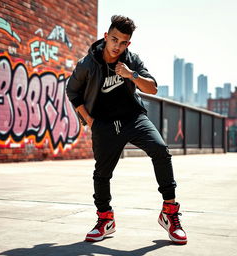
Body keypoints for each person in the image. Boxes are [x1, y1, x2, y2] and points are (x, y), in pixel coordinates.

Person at [67, 15, 187, 245]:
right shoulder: (87, 64)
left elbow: (152, 88)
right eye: (114, 40)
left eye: (123, 42)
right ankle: (105, 220)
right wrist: (90, 121)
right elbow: (73, 93)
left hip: (133, 118)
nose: (117, 46)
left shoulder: (132, 60)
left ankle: (169, 213)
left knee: (160, 150)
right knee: (102, 173)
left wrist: (131, 74)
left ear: (128, 44)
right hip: (103, 123)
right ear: (105, 37)